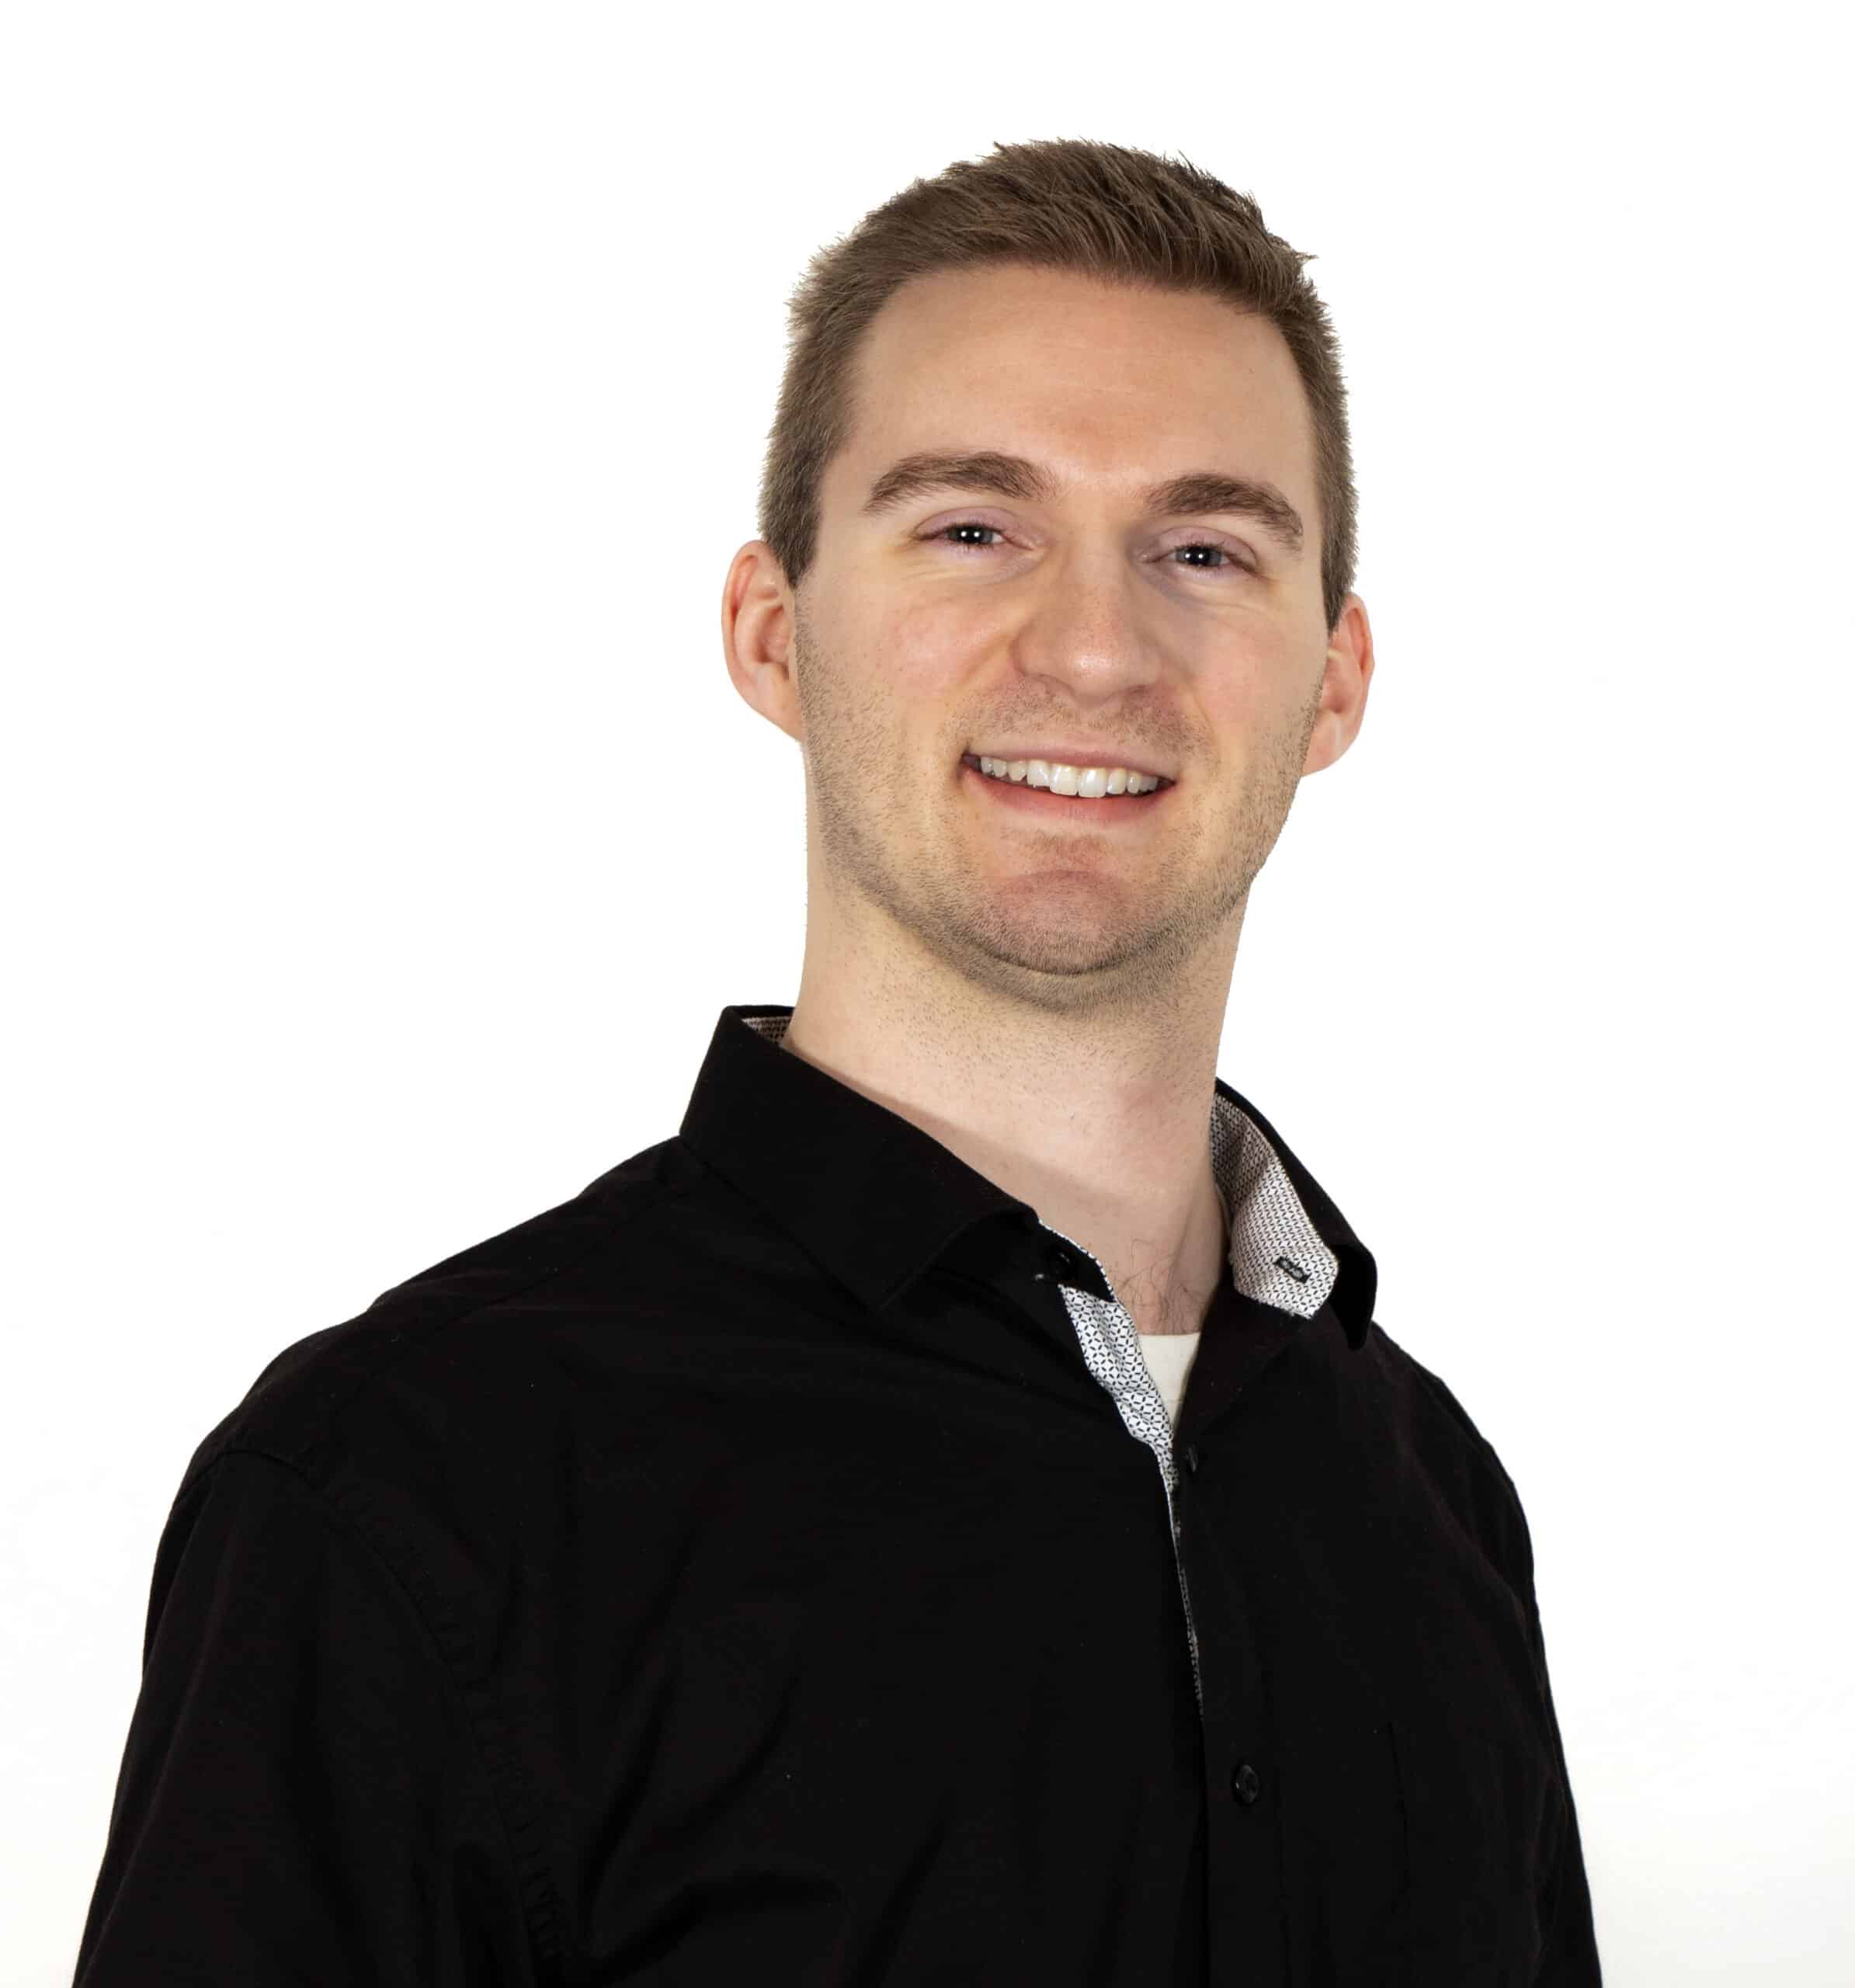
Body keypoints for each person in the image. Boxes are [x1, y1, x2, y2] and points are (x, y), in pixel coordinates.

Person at [74, 137, 1600, 1984]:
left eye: (1203, 548)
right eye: (972, 527)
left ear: (1333, 680)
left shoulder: (1430, 1495)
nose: (1095, 646)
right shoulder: (410, 1483)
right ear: (772, 632)